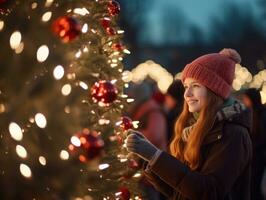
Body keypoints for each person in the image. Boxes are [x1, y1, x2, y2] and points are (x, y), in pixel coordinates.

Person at [126, 49, 253, 200]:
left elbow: (208, 191)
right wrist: (146, 159)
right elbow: (180, 191)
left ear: (214, 91)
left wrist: (155, 156)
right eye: (186, 86)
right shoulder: (194, 128)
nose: (187, 94)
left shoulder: (233, 134)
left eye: (196, 86)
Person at [241, 88, 266, 200]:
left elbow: (262, 138)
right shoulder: (250, 112)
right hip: (253, 155)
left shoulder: (262, 114)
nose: (244, 101)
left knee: (254, 185)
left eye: (246, 98)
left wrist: (249, 146)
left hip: (258, 156)